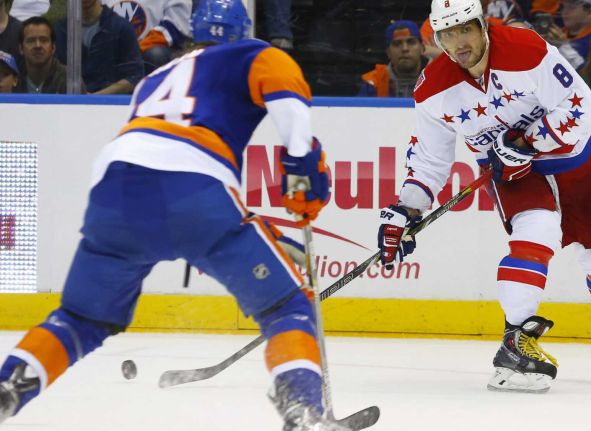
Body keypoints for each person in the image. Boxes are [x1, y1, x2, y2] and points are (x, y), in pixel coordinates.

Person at [0, 0, 349, 429]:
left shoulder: (154, 78)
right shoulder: (254, 53)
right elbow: (288, 102)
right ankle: (303, 411)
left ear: (190, 37)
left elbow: (149, 157)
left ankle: (10, 385)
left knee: (78, 320)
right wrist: (300, 173)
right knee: (288, 307)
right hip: (195, 191)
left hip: (114, 194)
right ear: (242, 32)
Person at [376, 0, 591, 393]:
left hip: (574, 155)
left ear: (482, 25)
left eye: (465, 30)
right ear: (437, 39)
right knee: (536, 232)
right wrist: (405, 209)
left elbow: (583, 108)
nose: (458, 42)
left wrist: (529, 141)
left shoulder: (526, 50)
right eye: (447, 34)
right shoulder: (433, 90)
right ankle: (515, 343)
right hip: (514, 173)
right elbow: (428, 159)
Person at [54, 0, 144, 94]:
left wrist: (95, 98)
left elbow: (134, 77)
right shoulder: (60, 30)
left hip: (111, 104)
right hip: (68, 104)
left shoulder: (122, 28)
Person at [104, 0, 192, 73]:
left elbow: (175, 27)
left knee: (156, 54)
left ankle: (156, 93)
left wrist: (138, 48)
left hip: (149, 50)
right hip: (109, 47)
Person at [359, 20, 427, 98]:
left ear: (422, 48)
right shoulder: (373, 83)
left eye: (411, 42)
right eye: (397, 44)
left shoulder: (436, 80)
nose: (405, 48)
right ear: (388, 52)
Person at [15, 17, 68, 94]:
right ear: (21, 48)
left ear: (53, 47)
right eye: (31, 41)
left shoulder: (69, 80)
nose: (38, 45)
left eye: (44, 40)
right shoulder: (11, 78)